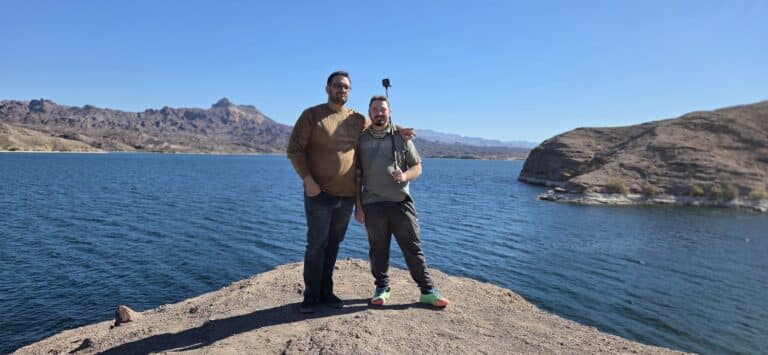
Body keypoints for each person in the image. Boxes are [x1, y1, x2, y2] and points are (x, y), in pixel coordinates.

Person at [287, 71, 414, 313]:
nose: (341, 90)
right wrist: (307, 180)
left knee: (333, 244)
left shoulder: (356, 119)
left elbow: (380, 125)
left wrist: (398, 130)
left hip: (345, 196)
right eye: (337, 86)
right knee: (316, 244)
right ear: (327, 88)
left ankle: (326, 291)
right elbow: (294, 150)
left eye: (346, 87)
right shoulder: (312, 116)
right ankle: (311, 296)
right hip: (318, 193)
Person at [354, 95, 449, 308]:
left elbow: (418, 166)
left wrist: (404, 176)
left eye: (383, 109)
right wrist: (358, 206)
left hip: (400, 202)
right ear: (370, 113)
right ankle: (382, 287)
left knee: (413, 247)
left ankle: (427, 291)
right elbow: (357, 176)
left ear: (389, 111)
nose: (379, 112)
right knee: (378, 249)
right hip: (372, 203)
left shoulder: (401, 137)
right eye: (375, 109)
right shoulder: (361, 139)